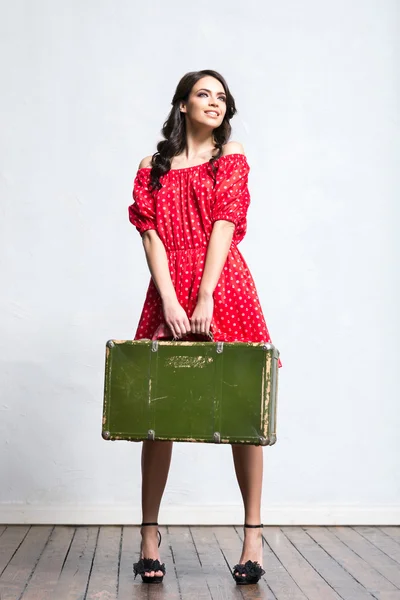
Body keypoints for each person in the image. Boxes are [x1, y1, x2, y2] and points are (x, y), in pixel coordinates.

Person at [128, 69, 281, 586]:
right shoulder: (153, 166)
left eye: (221, 96)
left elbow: (225, 222)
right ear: (183, 104)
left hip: (223, 286)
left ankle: (253, 536)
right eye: (203, 94)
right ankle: (149, 535)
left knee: (243, 411)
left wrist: (206, 293)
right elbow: (150, 236)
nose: (215, 103)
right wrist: (170, 298)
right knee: (159, 413)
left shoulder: (229, 155)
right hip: (169, 289)